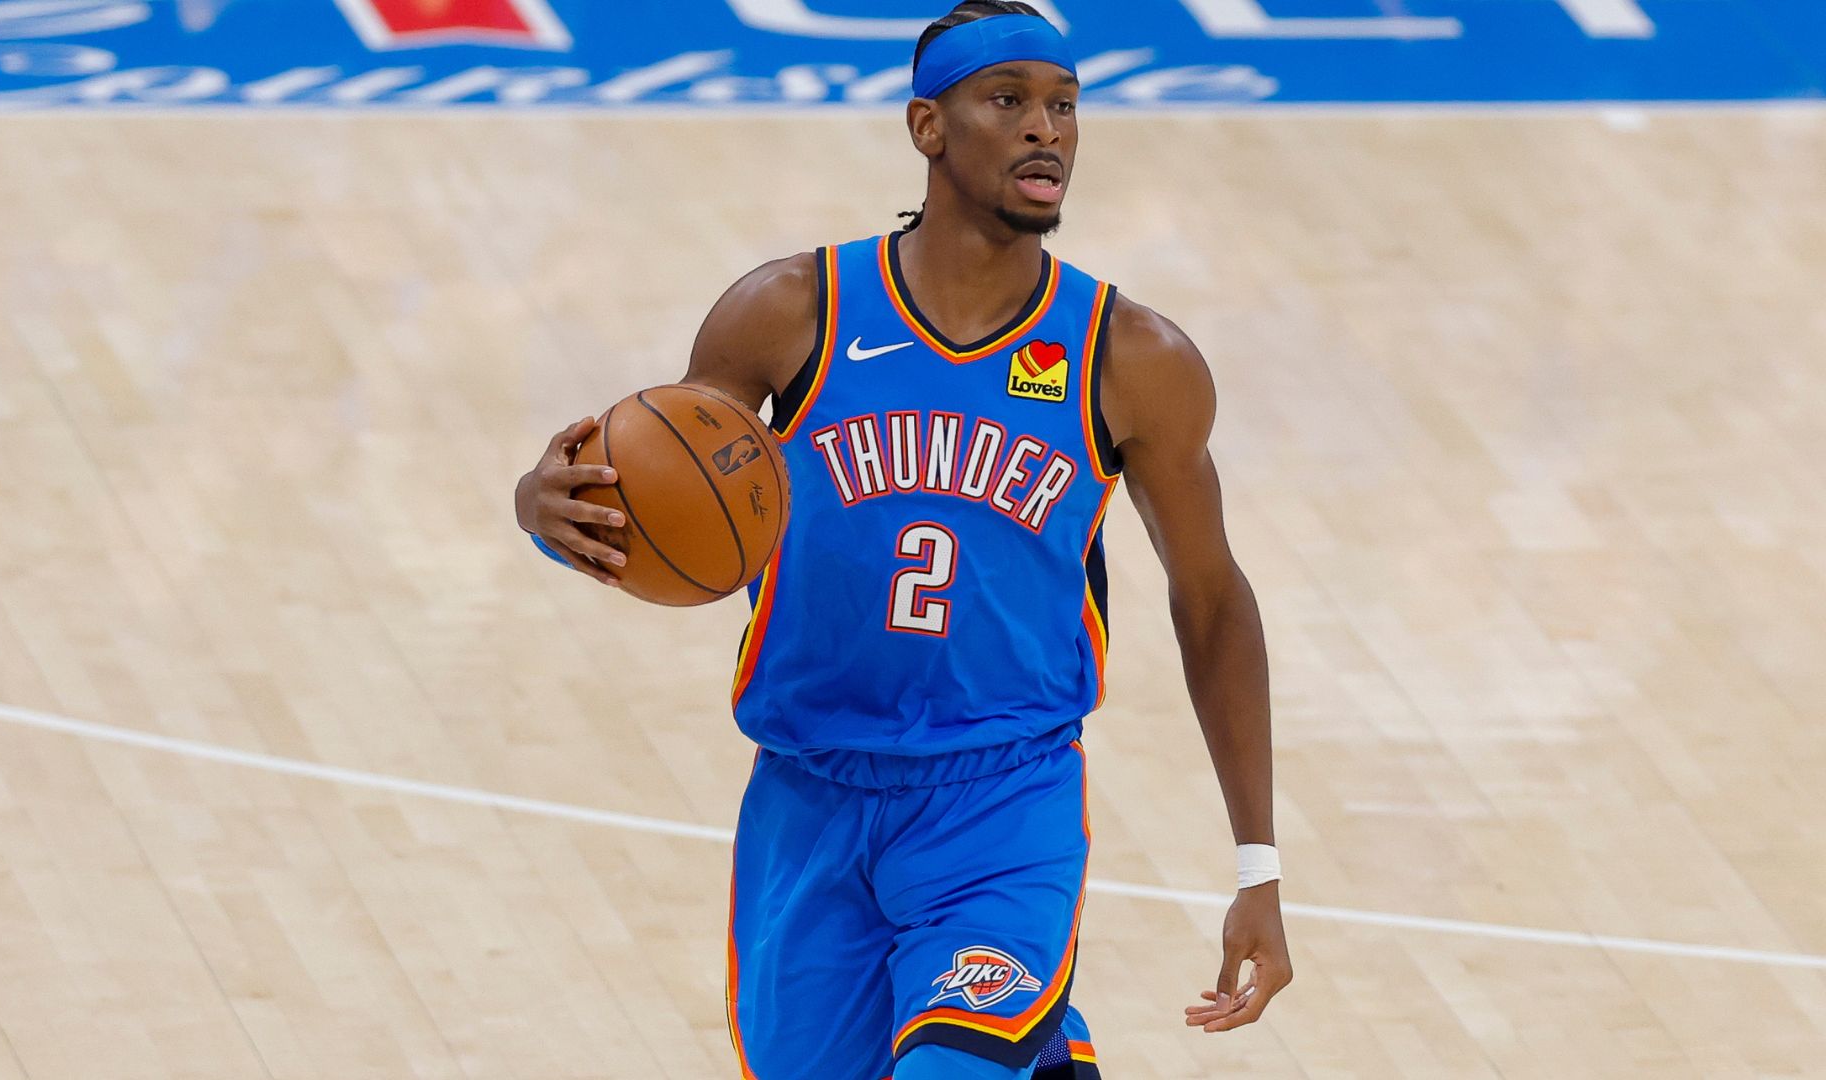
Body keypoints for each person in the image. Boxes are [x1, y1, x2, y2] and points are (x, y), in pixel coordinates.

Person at [515, 3, 1291, 1076]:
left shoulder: (1131, 357)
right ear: (928, 126)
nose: (1046, 129)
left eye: (1065, 106)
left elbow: (1212, 598)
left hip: (1003, 800)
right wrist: (544, 510)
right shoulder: (793, 311)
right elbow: (653, 495)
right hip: (810, 794)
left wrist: (1258, 866)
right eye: (1008, 101)